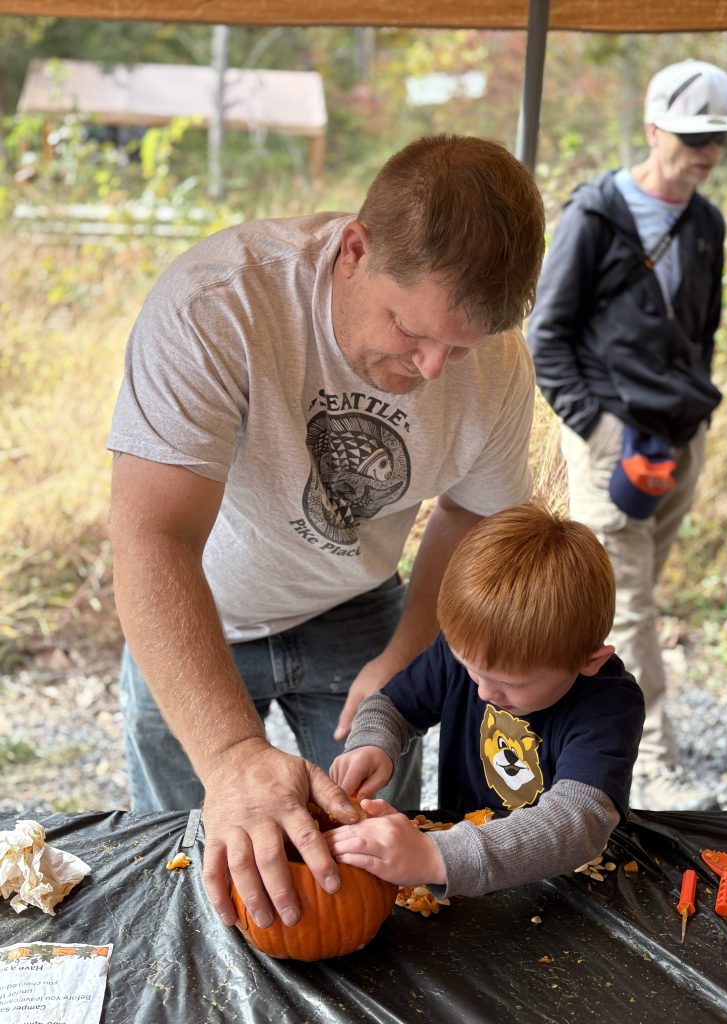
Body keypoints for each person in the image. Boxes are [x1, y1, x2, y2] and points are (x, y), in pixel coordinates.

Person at [107, 134, 545, 930]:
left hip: (356, 607)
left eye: (461, 346)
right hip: (198, 611)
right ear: (355, 250)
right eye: (411, 330)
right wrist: (234, 758)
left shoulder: (498, 366)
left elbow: (472, 513)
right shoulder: (219, 304)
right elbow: (151, 537)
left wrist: (406, 654)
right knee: (190, 866)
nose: (434, 368)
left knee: (362, 869)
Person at [525, 60, 727, 812]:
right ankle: (653, 760)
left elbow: (703, 331)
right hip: (613, 439)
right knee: (624, 601)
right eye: (692, 136)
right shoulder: (594, 216)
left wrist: (696, 412)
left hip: (681, 436)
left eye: (716, 139)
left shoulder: (708, 221)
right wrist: (597, 428)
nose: (705, 153)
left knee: (640, 588)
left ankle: (577, 722)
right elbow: (546, 337)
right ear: (654, 129)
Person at [325, 502, 644, 897]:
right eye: (471, 670)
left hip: (563, 890)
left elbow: (577, 820)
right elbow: (390, 706)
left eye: (512, 683)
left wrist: (434, 857)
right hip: (459, 873)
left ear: (589, 661)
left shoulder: (609, 707)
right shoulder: (467, 654)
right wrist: (373, 744)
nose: (485, 693)